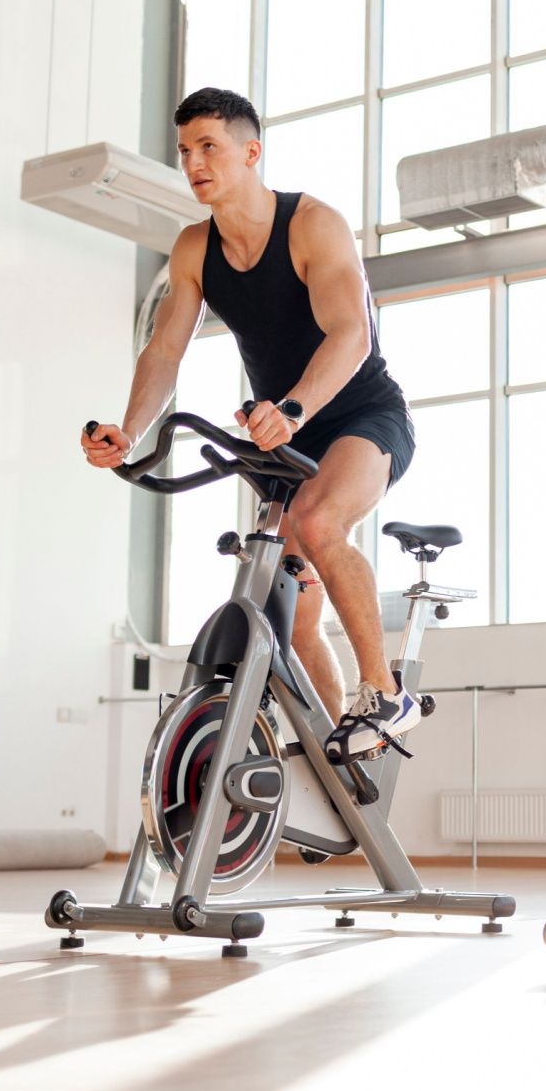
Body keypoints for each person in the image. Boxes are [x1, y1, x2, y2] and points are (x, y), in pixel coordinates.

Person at [81, 87, 417, 765]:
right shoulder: (193, 248)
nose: (194, 162)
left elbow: (352, 333)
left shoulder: (312, 225)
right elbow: (166, 349)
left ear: (250, 151)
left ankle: (384, 693)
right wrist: (131, 431)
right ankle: (339, 763)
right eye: (184, 151)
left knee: (320, 524)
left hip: (359, 416)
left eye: (210, 146)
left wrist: (292, 408)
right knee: (289, 620)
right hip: (282, 438)